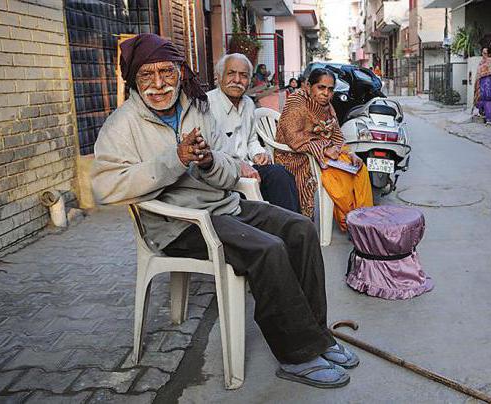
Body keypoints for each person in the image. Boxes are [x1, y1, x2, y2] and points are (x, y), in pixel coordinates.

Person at [91, 34, 358, 389]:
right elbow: (104, 186)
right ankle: (297, 355)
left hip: (222, 206)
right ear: (134, 81)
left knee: (300, 229)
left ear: (180, 72)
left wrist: (208, 161)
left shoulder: (197, 108)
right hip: (178, 224)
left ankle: (316, 334)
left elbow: (231, 168)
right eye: (146, 76)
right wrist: (176, 159)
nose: (158, 84)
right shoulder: (123, 124)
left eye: (166, 73)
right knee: (268, 249)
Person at [274, 68, 373, 231]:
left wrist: (350, 153)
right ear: (308, 86)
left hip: (321, 153)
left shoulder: (326, 106)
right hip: (295, 155)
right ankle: (350, 221)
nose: (326, 93)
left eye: (330, 89)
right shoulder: (296, 101)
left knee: (359, 169)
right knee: (340, 178)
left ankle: (364, 220)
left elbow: (336, 134)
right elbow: (292, 136)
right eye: (321, 87)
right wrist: (324, 148)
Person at [207, 53, 300, 213]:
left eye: (243, 76)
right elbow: (209, 150)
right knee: (277, 177)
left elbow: (251, 140)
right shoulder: (207, 105)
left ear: (250, 80)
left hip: (249, 168)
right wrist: (238, 165)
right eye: (231, 73)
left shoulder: (248, 104)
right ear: (219, 77)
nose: (237, 80)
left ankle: (292, 229)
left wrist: (259, 153)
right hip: (223, 173)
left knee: (282, 175)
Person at [473, 47, 491, 126]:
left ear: (489, 54)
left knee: (488, 99)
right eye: (482, 53)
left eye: (485, 53)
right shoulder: (481, 61)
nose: (483, 55)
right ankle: (482, 113)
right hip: (481, 81)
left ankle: (488, 119)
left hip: (488, 81)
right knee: (480, 98)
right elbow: (478, 72)